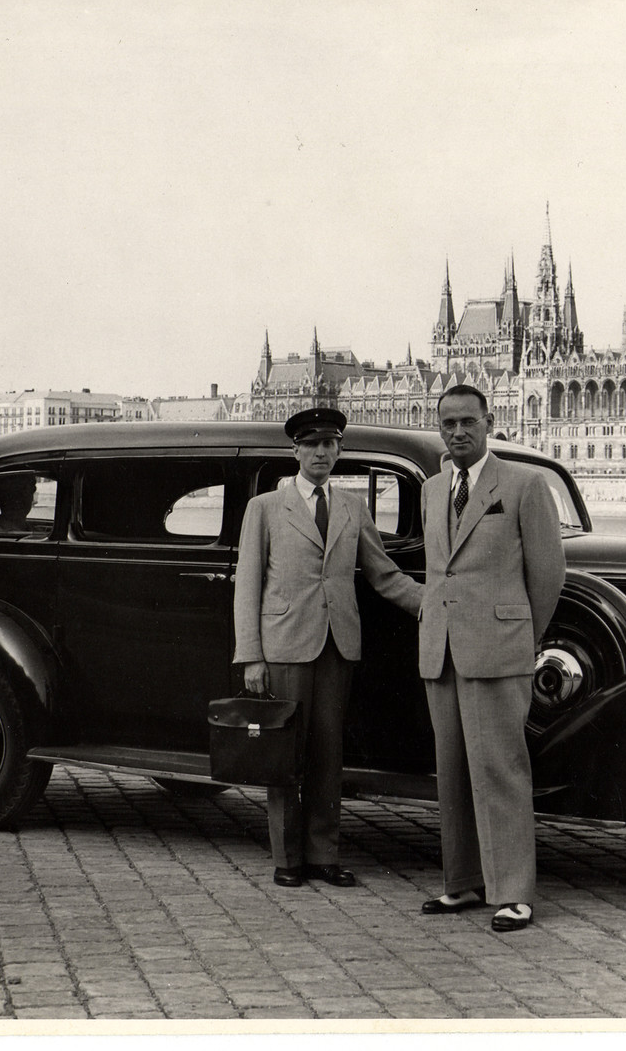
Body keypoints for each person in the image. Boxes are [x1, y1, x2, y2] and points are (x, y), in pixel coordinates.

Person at [232, 407, 423, 888]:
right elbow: (247, 585)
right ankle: (287, 859)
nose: (321, 453)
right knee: (284, 756)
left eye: (330, 445)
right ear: (295, 451)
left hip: (337, 647)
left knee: (328, 755)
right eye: (312, 444)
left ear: (339, 450)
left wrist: (434, 604)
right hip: (285, 646)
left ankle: (323, 855)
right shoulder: (266, 509)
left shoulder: (352, 508)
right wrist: (251, 655)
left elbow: (384, 575)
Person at [416, 384, 565, 932]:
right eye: (448, 423)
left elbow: (548, 576)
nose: (458, 432)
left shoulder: (525, 485)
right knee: (452, 772)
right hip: (443, 650)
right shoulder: (433, 489)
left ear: (489, 422)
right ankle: (462, 883)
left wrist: (521, 638)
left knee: (500, 770)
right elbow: (439, 572)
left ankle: (513, 892)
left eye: (468, 422)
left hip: (499, 651)